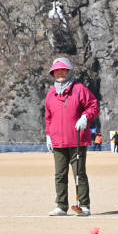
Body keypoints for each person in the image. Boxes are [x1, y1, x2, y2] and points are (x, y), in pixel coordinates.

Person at [45, 57, 99, 217]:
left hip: (77, 140)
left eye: (63, 70)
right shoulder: (50, 93)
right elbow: (48, 117)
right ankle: (61, 206)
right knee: (59, 174)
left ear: (69, 71)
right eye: (56, 71)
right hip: (57, 141)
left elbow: (93, 106)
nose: (60, 73)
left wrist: (85, 118)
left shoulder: (79, 89)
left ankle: (83, 205)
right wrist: (48, 135)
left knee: (79, 173)